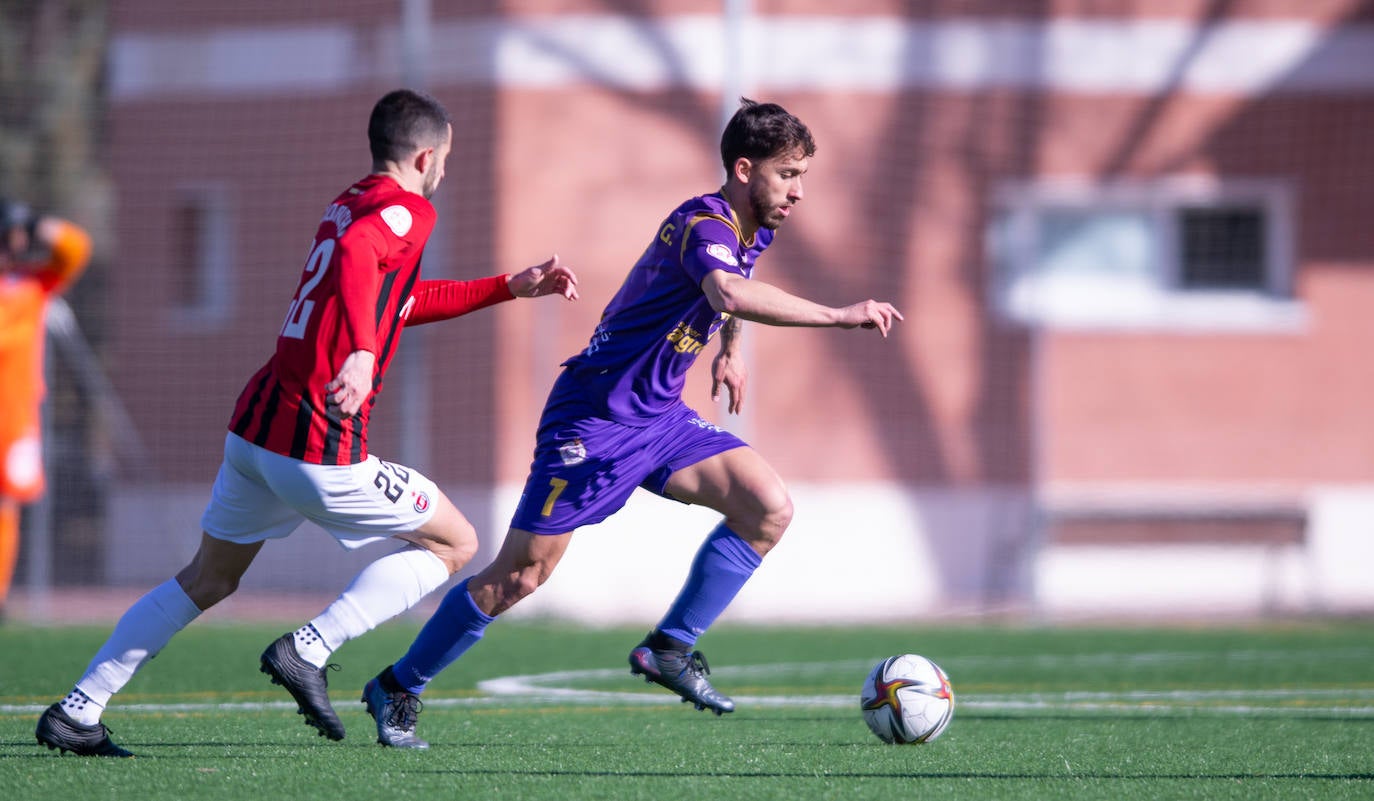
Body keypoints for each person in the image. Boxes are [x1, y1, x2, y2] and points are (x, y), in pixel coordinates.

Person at [34, 88, 578, 757]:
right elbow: (355, 258)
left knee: (207, 577)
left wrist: (505, 286)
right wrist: (358, 351)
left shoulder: (350, 198)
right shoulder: (407, 209)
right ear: (427, 155)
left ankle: (78, 706)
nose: (444, 173)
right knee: (455, 543)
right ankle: (309, 646)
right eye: (446, 160)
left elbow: (398, 299)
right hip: (317, 440)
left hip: (256, 429)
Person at [358, 98, 903, 749]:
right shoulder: (702, 223)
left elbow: (733, 291)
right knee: (519, 576)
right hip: (593, 419)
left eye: (802, 176)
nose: (799, 191)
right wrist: (842, 315)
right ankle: (399, 682)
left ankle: (671, 647)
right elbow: (727, 290)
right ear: (743, 168)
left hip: (660, 419)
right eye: (788, 174)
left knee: (768, 508)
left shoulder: (754, 226)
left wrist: (729, 350)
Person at [0, 200, 92, 621]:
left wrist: (35, 222)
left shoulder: (31, 284)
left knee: (6, 505)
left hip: (14, 418)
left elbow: (75, 248)